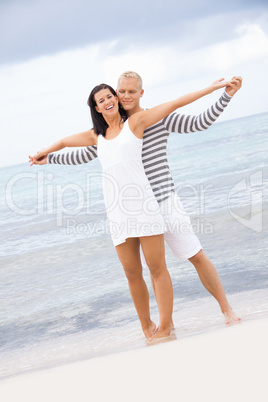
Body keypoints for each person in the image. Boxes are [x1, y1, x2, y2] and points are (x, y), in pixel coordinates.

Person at [29, 78, 232, 341]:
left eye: (124, 93)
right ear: (98, 107)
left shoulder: (145, 120)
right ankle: (151, 327)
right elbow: (77, 149)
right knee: (133, 272)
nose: (120, 97)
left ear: (139, 93)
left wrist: (217, 91)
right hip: (120, 211)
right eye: (114, 94)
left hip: (159, 201)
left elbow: (188, 113)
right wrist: (47, 156)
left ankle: (213, 313)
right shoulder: (100, 134)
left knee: (187, 258)